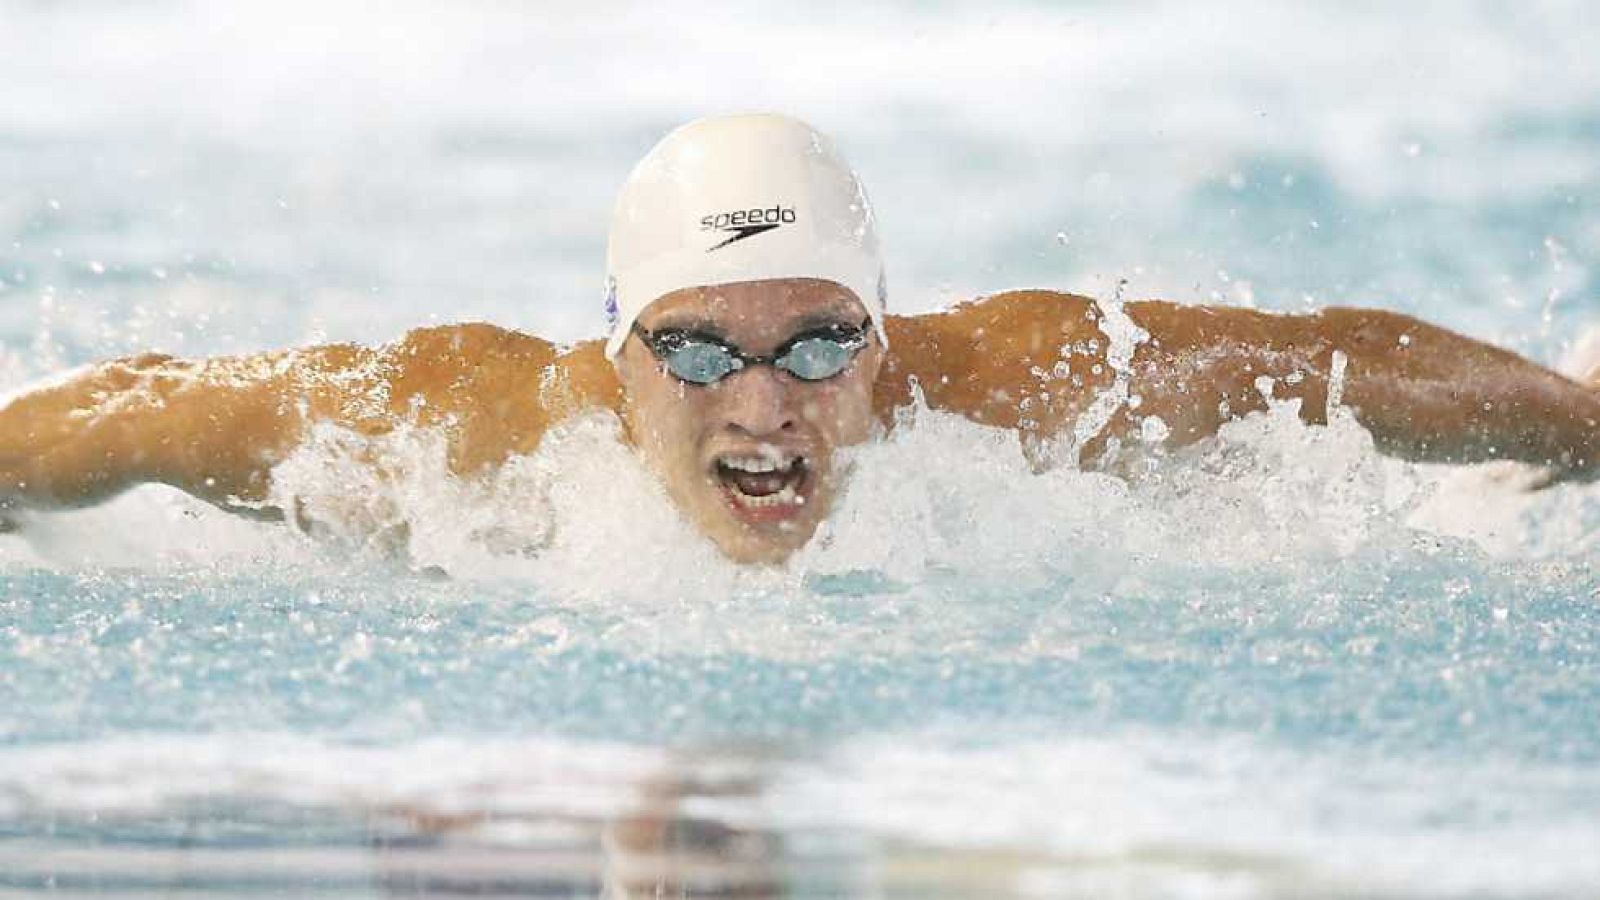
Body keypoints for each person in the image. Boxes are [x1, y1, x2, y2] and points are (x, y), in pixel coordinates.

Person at [1, 114, 1597, 563]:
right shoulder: (458, 434)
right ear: (616, 354)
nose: (763, 403)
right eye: (697, 350)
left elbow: (1325, 361)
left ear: (887, 346)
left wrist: (1577, 423)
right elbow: (137, 413)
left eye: (821, 344)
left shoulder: (1021, 389)